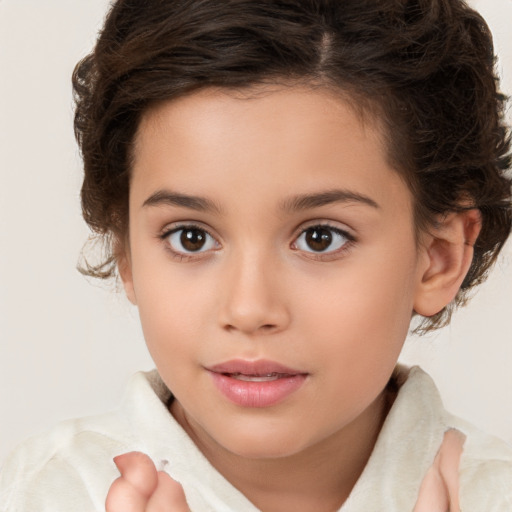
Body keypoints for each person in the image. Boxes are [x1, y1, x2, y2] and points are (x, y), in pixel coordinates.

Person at [1, 0, 511, 510]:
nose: (248, 310)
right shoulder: (33, 495)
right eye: (191, 238)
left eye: (320, 238)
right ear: (127, 252)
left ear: (438, 258)